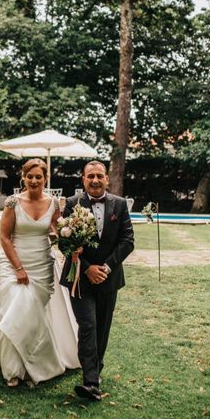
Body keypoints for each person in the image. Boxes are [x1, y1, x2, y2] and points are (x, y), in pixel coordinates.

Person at [0, 159, 79, 387]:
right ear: (23, 178)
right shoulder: (12, 202)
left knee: (32, 316)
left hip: (42, 265)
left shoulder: (54, 203)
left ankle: (32, 367)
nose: (34, 181)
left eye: (39, 177)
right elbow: (4, 237)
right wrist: (19, 268)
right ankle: (13, 370)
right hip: (13, 264)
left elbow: (55, 229)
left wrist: (68, 237)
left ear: (46, 179)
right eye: (30, 176)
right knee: (15, 312)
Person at [59, 161, 134, 401]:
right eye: (90, 176)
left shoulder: (120, 205)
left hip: (109, 278)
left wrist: (107, 267)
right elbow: (64, 241)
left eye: (99, 176)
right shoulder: (72, 204)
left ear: (106, 179)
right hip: (79, 277)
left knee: (102, 327)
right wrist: (88, 268)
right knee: (88, 325)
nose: (95, 180)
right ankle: (90, 382)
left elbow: (128, 240)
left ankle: (96, 368)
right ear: (83, 179)